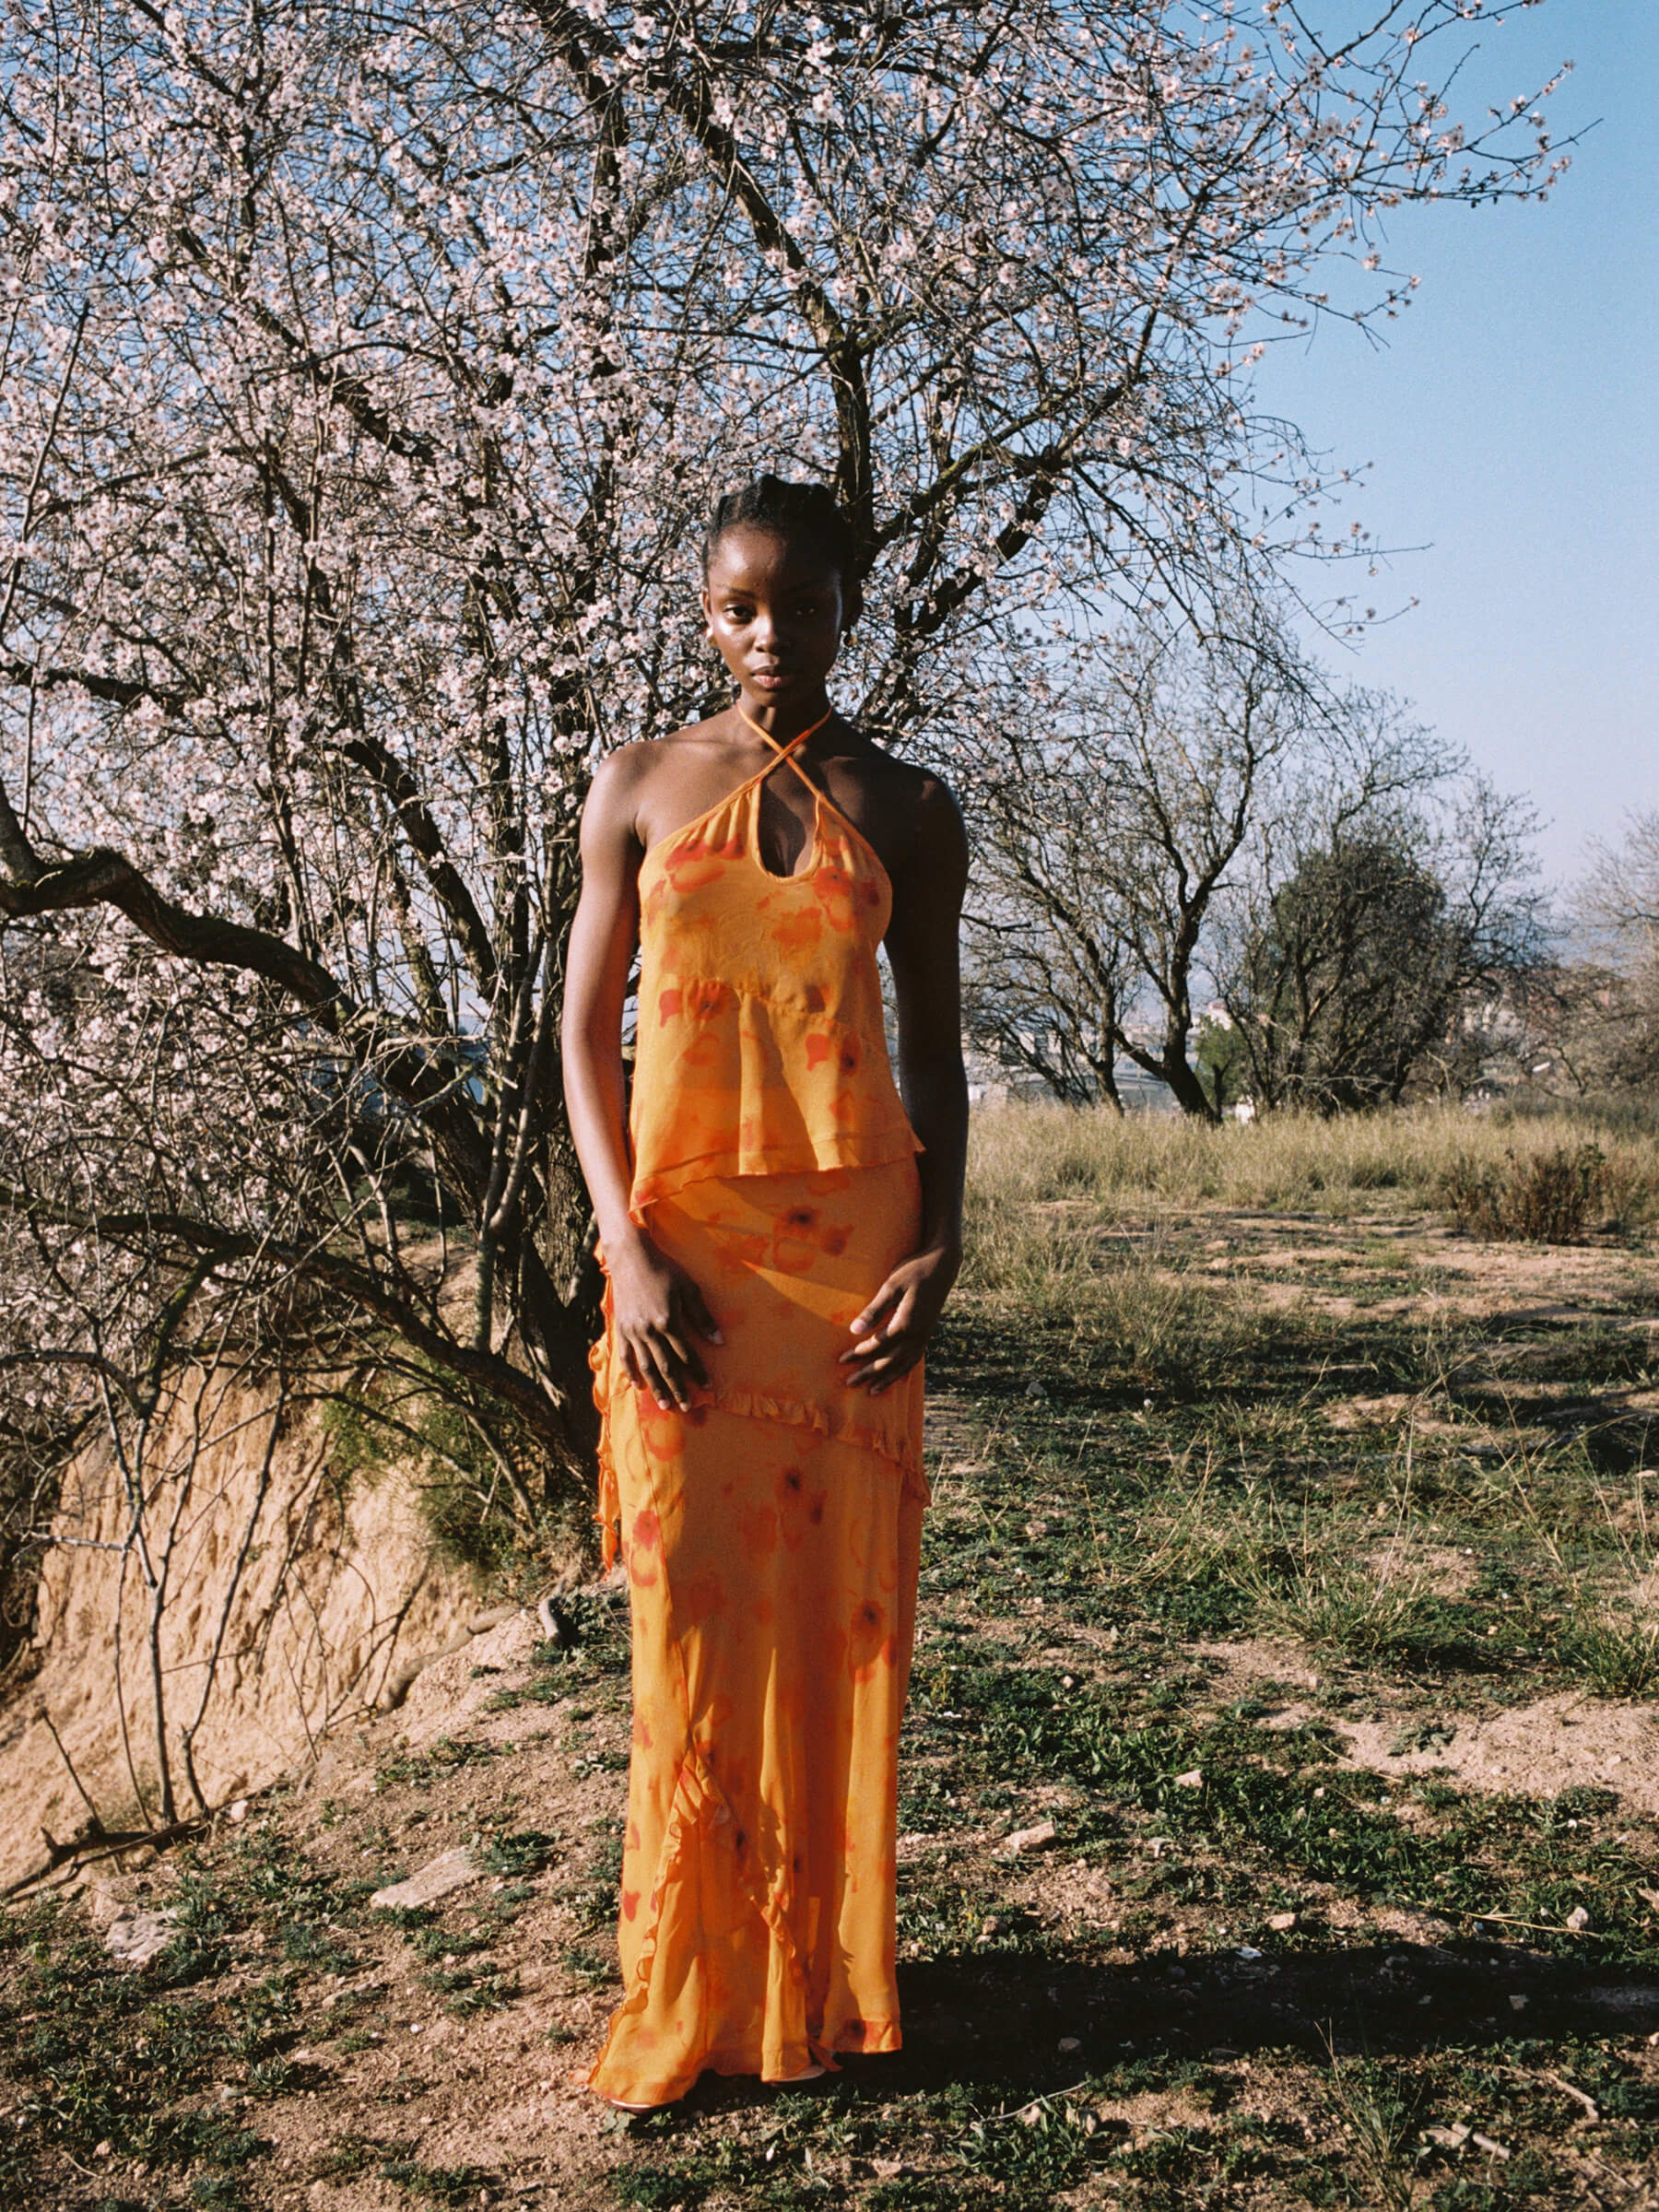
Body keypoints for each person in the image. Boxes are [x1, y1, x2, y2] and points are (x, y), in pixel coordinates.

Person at [559, 473, 969, 2109]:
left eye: (801, 604)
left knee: (831, 1624)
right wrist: (624, 1248)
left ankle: (814, 1981)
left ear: (848, 606)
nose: (770, 635)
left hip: (853, 1261)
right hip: (684, 1263)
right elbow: (581, 1039)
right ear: (704, 615)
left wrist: (942, 1247)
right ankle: (693, 1986)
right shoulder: (638, 784)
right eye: (739, 607)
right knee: (689, 1620)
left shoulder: (910, 805)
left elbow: (936, 1057)